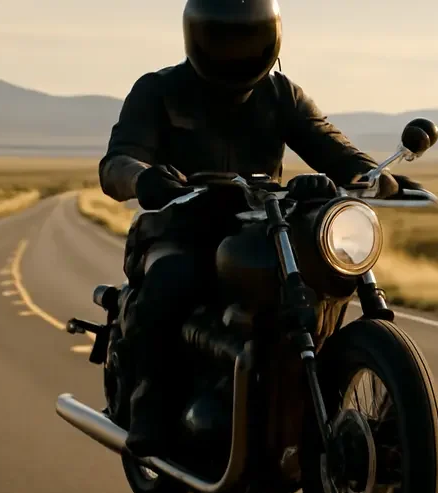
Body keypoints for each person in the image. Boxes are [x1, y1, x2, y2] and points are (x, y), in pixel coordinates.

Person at [98, 0, 401, 458]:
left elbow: (330, 144)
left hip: (259, 229)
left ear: (271, 38)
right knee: (171, 283)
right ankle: (151, 404)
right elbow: (117, 161)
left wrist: (374, 176)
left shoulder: (283, 95)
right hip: (178, 229)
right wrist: (143, 178)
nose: (235, 51)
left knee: (318, 277)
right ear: (197, 37)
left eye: (247, 38)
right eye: (222, 38)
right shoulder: (158, 90)